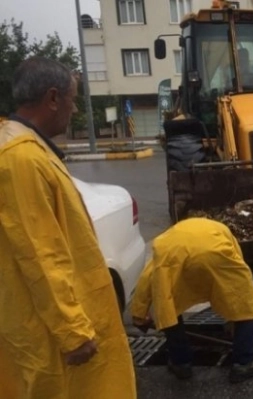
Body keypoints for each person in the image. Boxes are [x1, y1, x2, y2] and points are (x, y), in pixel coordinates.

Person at [0, 56, 136, 399]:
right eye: (73, 99)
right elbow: (39, 253)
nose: (74, 109)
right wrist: (72, 330)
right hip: (49, 334)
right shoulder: (20, 158)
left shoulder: (23, 148)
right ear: (52, 98)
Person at [131, 217, 253, 383]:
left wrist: (139, 314)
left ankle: (181, 363)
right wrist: (235, 316)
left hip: (175, 259)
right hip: (215, 254)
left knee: (169, 305)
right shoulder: (221, 230)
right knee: (244, 302)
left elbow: (147, 277)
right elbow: (237, 262)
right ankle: (244, 363)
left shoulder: (168, 240)